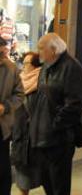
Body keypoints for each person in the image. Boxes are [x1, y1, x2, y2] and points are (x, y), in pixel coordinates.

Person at [29, 33, 82, 195]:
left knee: (59, 186)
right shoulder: (46, 66)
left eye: (41, 49)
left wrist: (55, 125)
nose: (38, 52)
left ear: (54, 50)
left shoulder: (72, 67)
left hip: (59, 139)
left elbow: (75, 104)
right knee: (47, 183)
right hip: (41, 137)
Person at [12, 52, 41, 194]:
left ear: (36, 66)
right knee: (22, 179)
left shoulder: (42, 82)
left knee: (38, 175)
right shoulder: (19, 82)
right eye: (23, 63)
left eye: (27, 64)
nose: (23, 67)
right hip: (19, 136)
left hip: (35, 137)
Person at [0, 40, 23, 195]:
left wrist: (6, 106)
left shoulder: (11, 69)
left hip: (2, 127)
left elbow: (19, 94)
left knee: (2, 170)